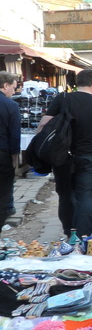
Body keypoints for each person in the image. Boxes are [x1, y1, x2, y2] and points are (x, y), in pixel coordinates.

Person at [39, 69, 92, 238]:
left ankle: (69, 234)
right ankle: (83, 237)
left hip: (63, 158)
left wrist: (43, 149)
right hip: (90, 157)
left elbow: (44, 124)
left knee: (66, 196)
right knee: (86, 199)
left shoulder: (62, 99)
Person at [0, 72, 20, 230]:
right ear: (5, 85)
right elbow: (14, 136)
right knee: (4, 188)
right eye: (13, 88)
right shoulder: (11, 105)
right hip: (2, 153)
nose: (14, 92)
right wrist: (15, 159)